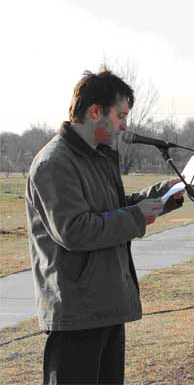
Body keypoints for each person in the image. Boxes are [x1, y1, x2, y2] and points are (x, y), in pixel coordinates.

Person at [25, 69, 185, 384]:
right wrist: (138, 216)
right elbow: (75, 230)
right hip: (77, 311)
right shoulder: (54, 163)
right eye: (120, 115)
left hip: (106, 302)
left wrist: (162, 196)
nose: (124, 125)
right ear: (95, 111)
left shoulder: (99, 157)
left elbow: (111, 208)